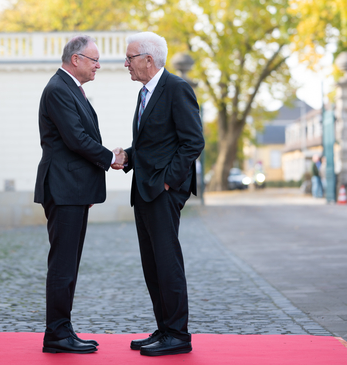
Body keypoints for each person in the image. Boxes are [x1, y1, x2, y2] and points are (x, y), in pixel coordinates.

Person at [112, 31, 205, 356]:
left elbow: (193, 141)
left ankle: (178, 334)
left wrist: (168, 182)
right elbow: (153, 144)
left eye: (130, 58)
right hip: (144, 191)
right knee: (152, 265)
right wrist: (128, 158)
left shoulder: (177, 88)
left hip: (162, 192)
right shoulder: (144, 94)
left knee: (167, 263)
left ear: (148, 60)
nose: (126, 64)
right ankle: (164, 328)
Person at [34, 35, 124, 354]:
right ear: (76, 60)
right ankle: (57, 334)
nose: (98, 65)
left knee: (68, 264)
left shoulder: (70, 88)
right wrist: (111, 158)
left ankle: (62, 328)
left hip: (72, 189)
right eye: (94, 60)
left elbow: (78, 137)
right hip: (63, 189)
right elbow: (76, 139)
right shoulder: (59, 89)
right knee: (63, 264)